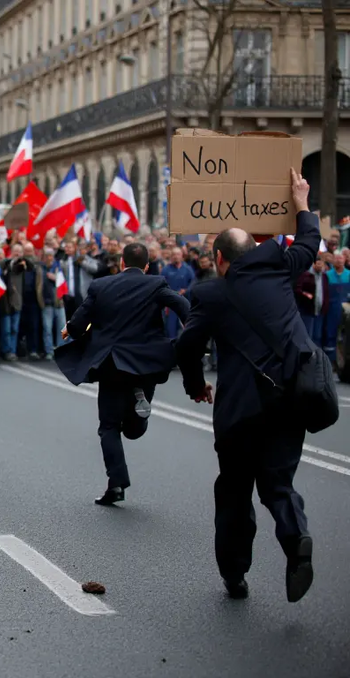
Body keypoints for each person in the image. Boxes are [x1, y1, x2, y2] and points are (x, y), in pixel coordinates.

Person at [175, 168, 320, 603]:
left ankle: (235, 575)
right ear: (254, 249)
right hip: (288, 401)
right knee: (278, 483)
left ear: (220, 260)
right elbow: (309, 245)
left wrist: (196, 385)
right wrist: (300, 201)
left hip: (239, 410)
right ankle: (295, 536)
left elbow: (186, 346)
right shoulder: (280, 269)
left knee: (235, 490)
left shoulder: (211, 295)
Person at [54, 241, 190, 506]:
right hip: (146, 363)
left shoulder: (102, 285)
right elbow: (182, 305)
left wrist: (70, 328)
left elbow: (80, 321)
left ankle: (116, 483)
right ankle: (139, 408)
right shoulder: (156, 283)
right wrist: (191, 326)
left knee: (108, 427)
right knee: (134, 430)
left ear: (120, 263)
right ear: (147, 265)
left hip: (112, 364)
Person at [161, 247, 196, 339]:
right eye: (173, 255)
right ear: (171, 256)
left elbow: (193, 283)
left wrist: (186, 290)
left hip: (185, 302)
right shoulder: (166, 270)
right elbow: (161, 285)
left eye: (178, 254)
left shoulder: (188, 269)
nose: (176, 257)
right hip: (171, 304)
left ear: (182, 256)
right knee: (170, 328)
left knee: (186, 327)